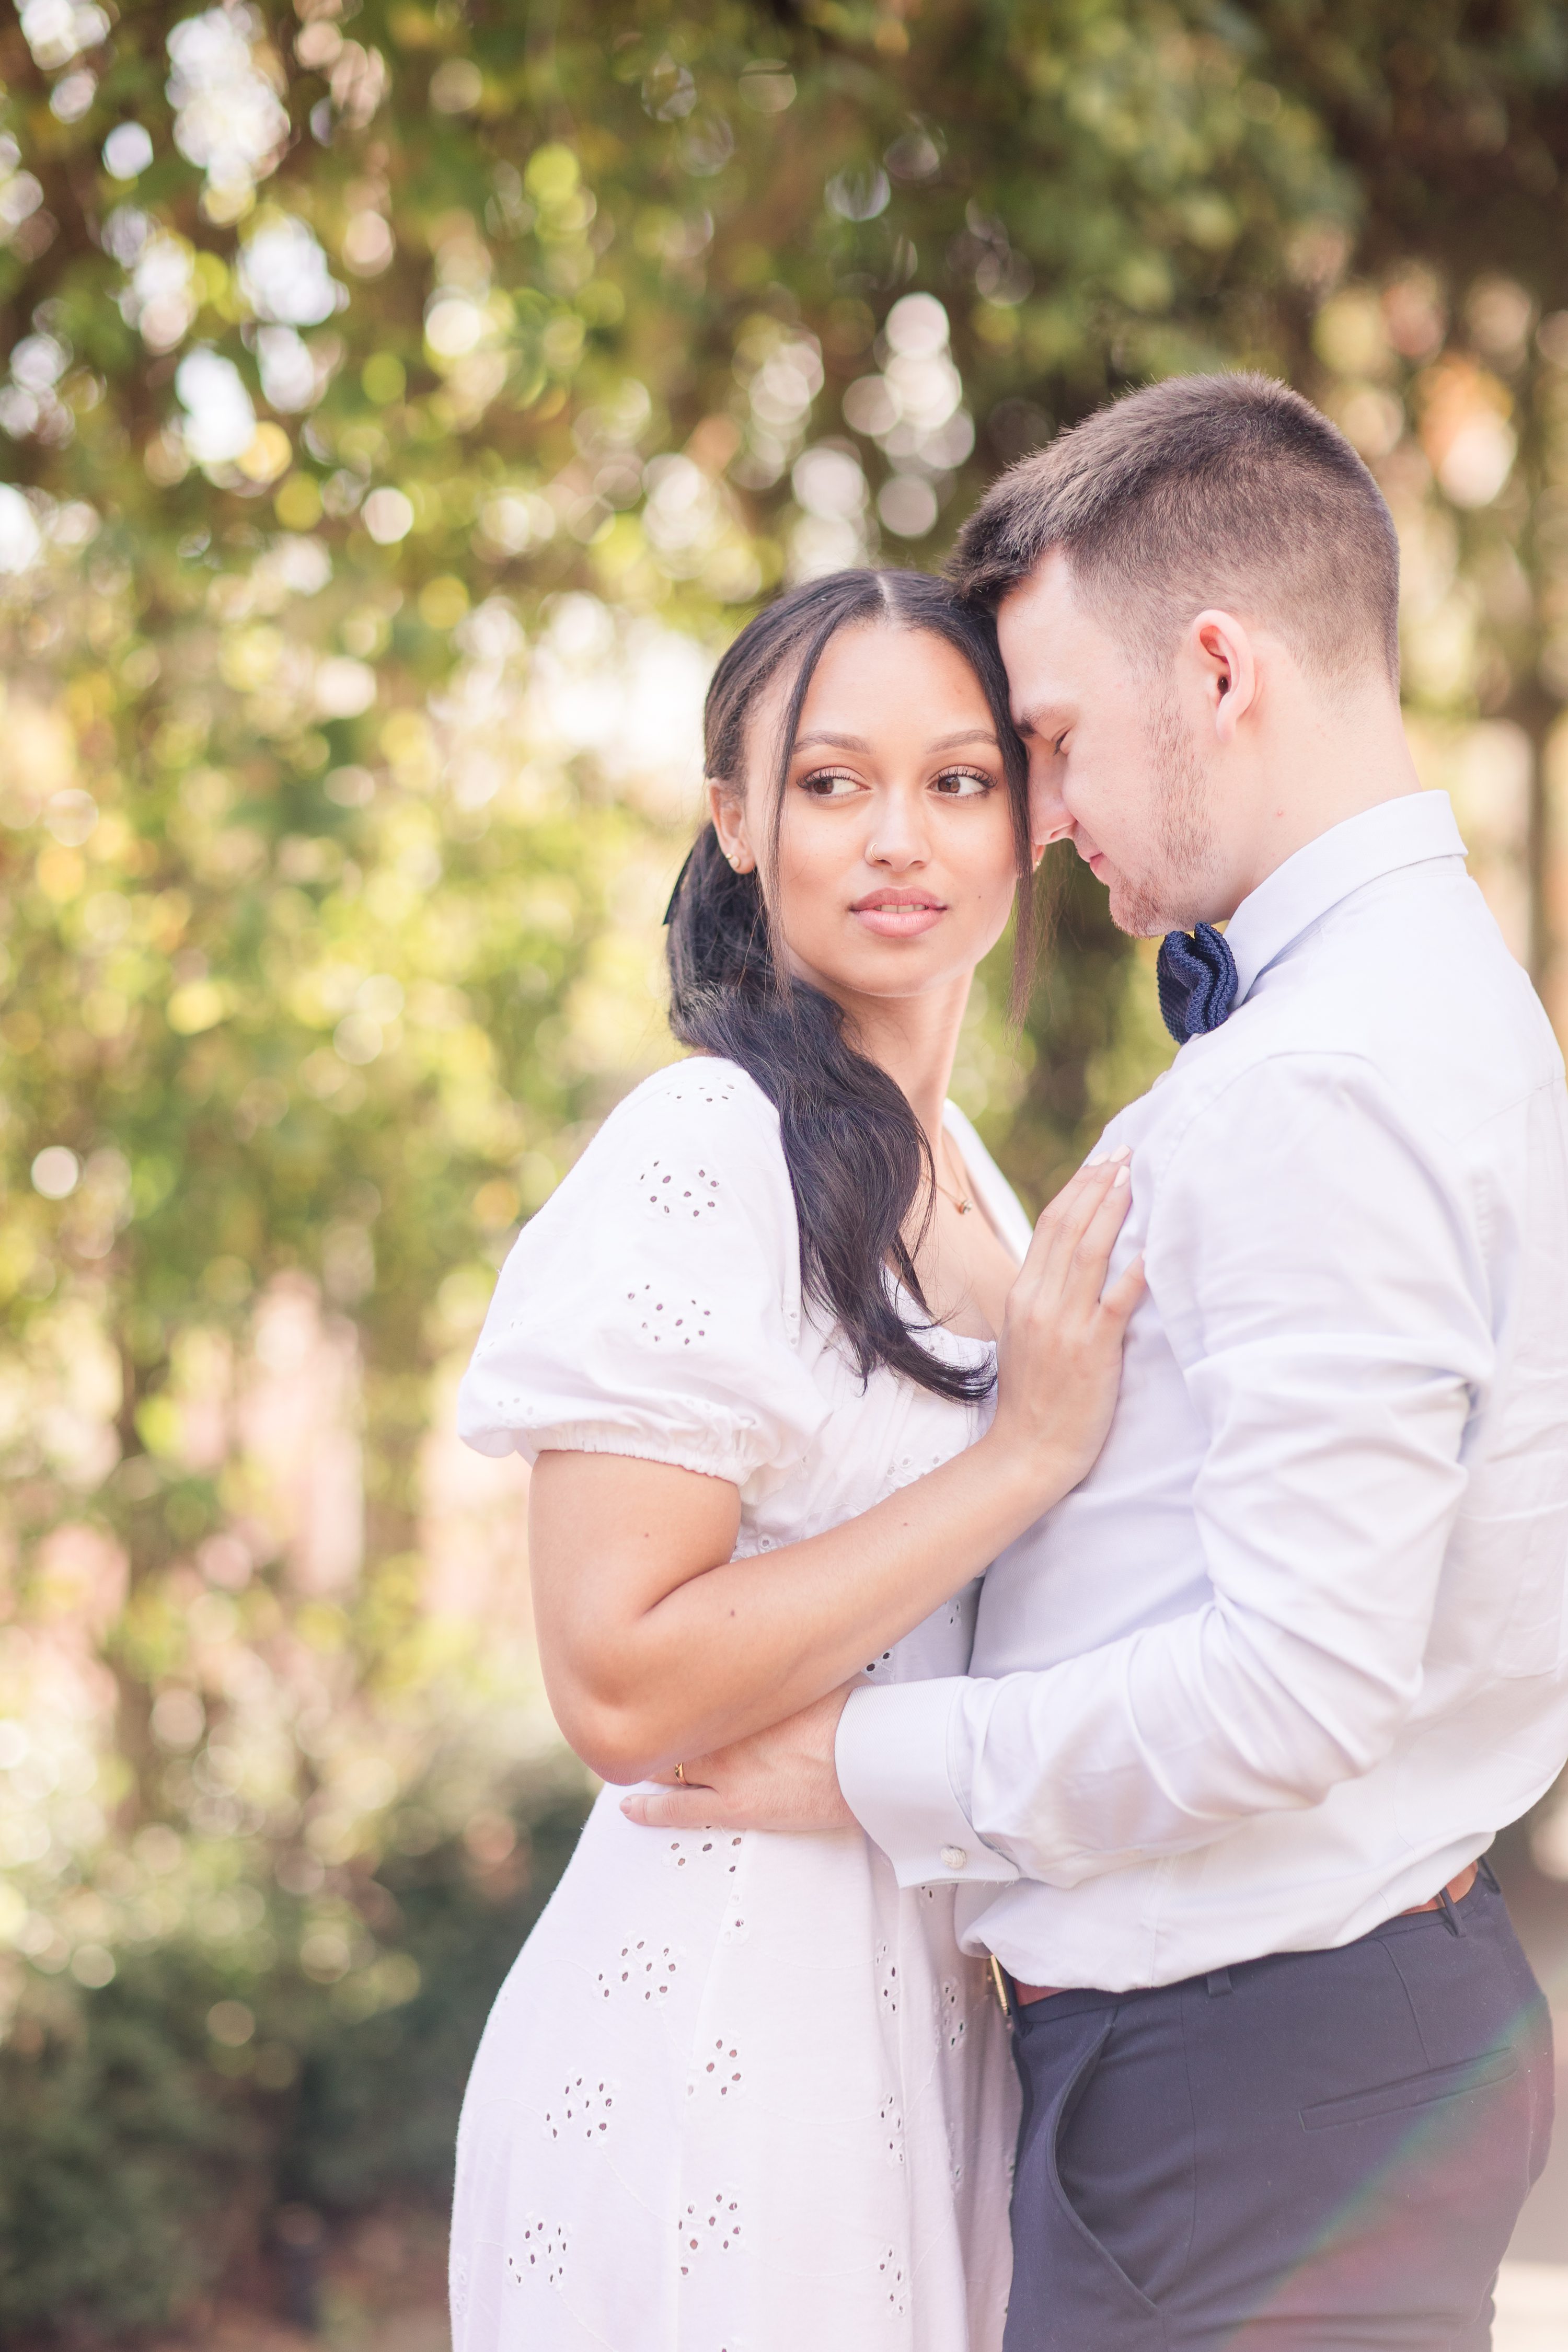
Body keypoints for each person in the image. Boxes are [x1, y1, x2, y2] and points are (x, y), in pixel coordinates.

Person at [635, 376, 1568, 2350]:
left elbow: (1298, 1681)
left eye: (1042, 743)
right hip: (1286, 2056)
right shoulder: (1414, 1013)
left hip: (1244, 2099)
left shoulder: (1332, 1077)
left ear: (1217, 671)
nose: (1040, 821)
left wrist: (857, 1768)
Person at [446, 567, 1145, 2351]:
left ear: (1035, 822)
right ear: (737, 820)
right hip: (713, 2039)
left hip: (914, 2028)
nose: (896, 837)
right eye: (831, 783)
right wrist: (1021, 1457)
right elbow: (616, 1680)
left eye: (959, 781)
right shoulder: (707, 1146)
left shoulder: (970, 1175)